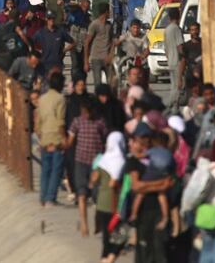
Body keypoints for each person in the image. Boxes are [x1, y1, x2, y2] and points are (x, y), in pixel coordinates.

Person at [67, 96, 108, 237]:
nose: (86, 115)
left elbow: (106, 141)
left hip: (96, 165)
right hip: (80, 162)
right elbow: (70, 140)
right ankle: (84, 225)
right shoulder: (77, 122)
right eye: (84, 112)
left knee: (97, 196)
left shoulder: (100, 123)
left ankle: (98, 224)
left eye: (88, 112)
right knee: (82, 194)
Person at [91, 132, 127, 263]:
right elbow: (113, 183)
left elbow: (93, 179)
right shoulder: (121, 160)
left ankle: (104, 258)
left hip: (101, 203)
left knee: (107, 237)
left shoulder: (103, 159)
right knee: (121, 235)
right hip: (114, 203)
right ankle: (107, 259)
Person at [36, 72, 68, 207]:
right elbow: (60, 121)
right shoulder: (61, 99)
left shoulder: (42, 98)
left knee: (45, 169)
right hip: (56, 138)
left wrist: (41, 136)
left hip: (44, 137)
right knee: (56, 169)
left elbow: (38, 121)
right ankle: (50, 197)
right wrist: (64, 138)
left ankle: (43, 197)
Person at [130, 145, 172, 233]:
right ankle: (165, 218)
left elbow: (139, 156)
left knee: (140, 193)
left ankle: (134, 214)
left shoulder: (153, 150)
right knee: (162, 194)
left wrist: (133, 153)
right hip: (164, 173)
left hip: (153, 171)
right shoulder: (168, 152)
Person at [85, 3, 115, 87]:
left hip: (107, 59)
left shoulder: (109, 25)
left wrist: (111, 55)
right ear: (106, 12)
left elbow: (112, 41)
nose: (110, 13)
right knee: (98, 84)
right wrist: (86, 61)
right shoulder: (94, 25)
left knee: (111, 84)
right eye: (108, 11)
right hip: (96, 58)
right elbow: (87, 42)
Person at [177, 23, 203, 95]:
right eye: (192, 30)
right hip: (190, 76)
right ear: (189, 32)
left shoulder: (204, 43)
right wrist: (180, 79)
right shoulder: (186, 46)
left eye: (196, 29)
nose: (194, 32)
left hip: (202, 76)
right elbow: (183, 61)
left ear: (199, 30)